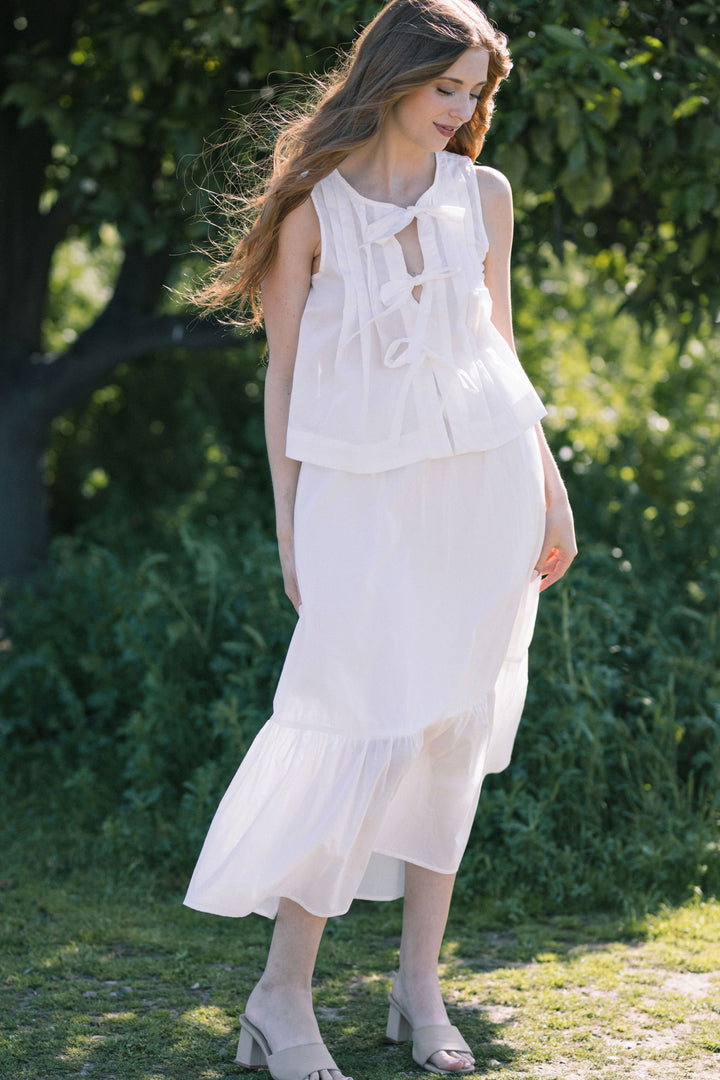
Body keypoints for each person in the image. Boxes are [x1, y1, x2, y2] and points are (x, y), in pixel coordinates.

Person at [184, 1, 577, 1077]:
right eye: (446, 85)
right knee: (361, 728)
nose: (461, 109)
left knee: (450, 734)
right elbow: (285, 372)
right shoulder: (313, 205)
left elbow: (500, 347)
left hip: (485, 488)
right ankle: (281, 996)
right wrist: (287, 513)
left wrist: (550, 488)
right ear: (393, 74)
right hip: (359, 495)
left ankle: (417, 992)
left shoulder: (483, 196)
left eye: (475, 92)